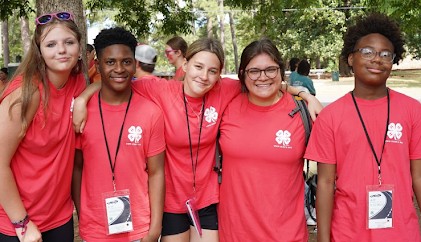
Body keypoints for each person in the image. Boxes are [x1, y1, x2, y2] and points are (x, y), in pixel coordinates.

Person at [73, 37, 323, 242]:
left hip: (208, 199)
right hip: (171, 200)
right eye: (198, 67)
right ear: (185, 64)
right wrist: (83, 98)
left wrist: (303, 94)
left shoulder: (224, 90)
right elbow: (117, 82)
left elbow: (265, 81)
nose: (204, 76)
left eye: (213, 70)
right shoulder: (160, 90)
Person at [304, 13, 421, 242]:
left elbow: (419, 176)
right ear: (350, 59)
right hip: (348, 232)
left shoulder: (412, 110)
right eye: (367, 52)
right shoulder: (331, 116)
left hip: (402, 233)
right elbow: (326, 184)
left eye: (385, 54)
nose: (377, 59)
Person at [72, 27, 165, 242]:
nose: (119, 69)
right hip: (95, 229)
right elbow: (77, 167)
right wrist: (84, 213)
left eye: (126, 61)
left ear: (135, 64)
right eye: (110, 62)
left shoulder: (151, 112)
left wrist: (154, 229)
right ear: (97, 65)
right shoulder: (82, 112)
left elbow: (156, 173)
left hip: (140, 231)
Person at [0, 11, 86, 242]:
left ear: (79, 47)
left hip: (59, 217)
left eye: (69, 42)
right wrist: (22, 223)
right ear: (39, 51)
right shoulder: (25, 94)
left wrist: (85, 98)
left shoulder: (77, 83)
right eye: (51, 44)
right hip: (17, 220)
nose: (61, 50)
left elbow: (104, 87)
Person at [218, 38, 309, 242]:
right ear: (242, 74)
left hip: (287, 235)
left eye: (270, 69)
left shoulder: (301, 111)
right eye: (254, 71)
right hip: (233, 234)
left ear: (280, 71)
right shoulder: (228, 105)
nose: (263, 77)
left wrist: (306, 95)